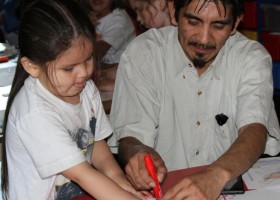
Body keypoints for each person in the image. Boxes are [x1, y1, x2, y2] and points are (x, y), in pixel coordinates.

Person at [108, 0, 280, 199]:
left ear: (235, 24)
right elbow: (130, 137)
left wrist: (215, 176)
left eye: (218, 25)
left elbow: (255, 130)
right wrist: (138, 153)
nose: (204, 39)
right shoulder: (145, 53)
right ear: (173, 12)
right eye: (193, 22)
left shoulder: (251, 58)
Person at [0, 0, 146, 199]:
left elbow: (95, 143)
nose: (84, 73)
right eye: (69, 68)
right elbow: (83, 175)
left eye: (88, 59)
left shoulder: (83, 88)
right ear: (33, 67)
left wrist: (117, 177)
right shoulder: (35, 113)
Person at [88, 0, 136, 92]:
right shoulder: (93, 16)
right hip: (107, 73)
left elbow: (96, 54)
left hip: (124, 78)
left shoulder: (119, 20)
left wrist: (85, 30)